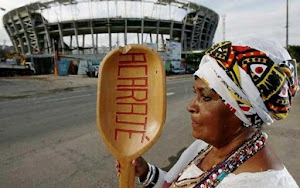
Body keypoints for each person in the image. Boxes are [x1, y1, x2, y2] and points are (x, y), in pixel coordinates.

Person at [116, 38, 299, 188]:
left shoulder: (261, 184)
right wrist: (147, 172)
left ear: (243, 111)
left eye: (206, 97)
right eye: (195, 94)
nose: (191, 106)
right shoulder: (204, 148)